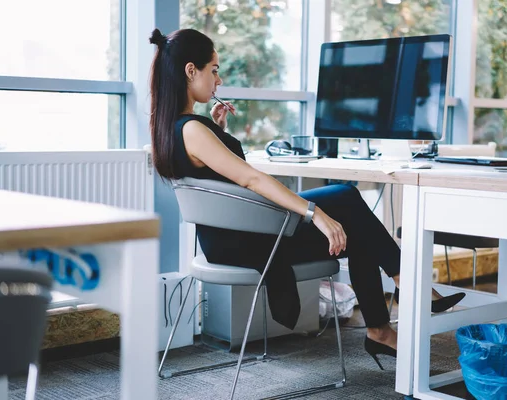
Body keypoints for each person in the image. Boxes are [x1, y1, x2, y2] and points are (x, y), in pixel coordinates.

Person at [148, 28, 465, 369]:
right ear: (190, 71)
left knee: (351, 221)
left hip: (231, 235)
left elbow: (219, 178)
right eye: (214, 69)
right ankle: (399, 297)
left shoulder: (176, 127)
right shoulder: (192, 130)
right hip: (245, 241)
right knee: (345, 198)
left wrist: (219, 132)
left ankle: (384, 323)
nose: (219, 79)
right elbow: (251, 179)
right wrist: (314, 213)